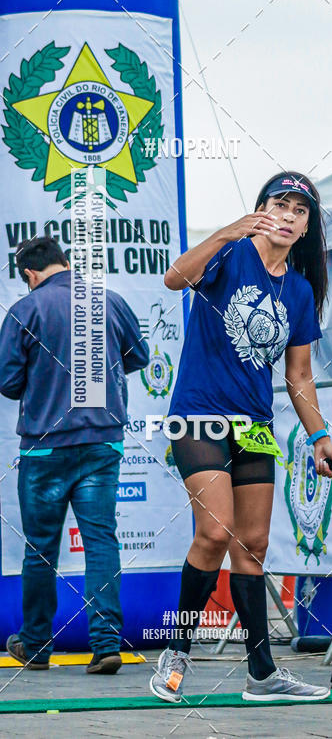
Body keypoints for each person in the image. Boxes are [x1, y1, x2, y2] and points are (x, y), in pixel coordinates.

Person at [150, 171, 332, 703]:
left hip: (254, 426)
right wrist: (226, 232)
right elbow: (173, 279)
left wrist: (320, 435)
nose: (287, 215)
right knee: (214, 535)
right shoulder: (230, 255)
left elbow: (298, 376)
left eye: (299, 211)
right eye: (278, 204)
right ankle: (179, 651)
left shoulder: (300, 291)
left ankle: (262, 674)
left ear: (307, 228)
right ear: (261, 210)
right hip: (199, 417)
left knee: (253, 545)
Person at [0, 237, 149, 673]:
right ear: (66, 262)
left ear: (29, 274)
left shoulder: (25, 311)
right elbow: (137, 356)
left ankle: (36, 645)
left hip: (45, 447)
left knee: (41, 550)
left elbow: (8, 384)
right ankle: (106, 646)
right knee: (101, 541)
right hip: (103, 441)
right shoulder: (111, 300)